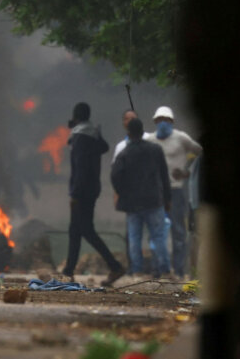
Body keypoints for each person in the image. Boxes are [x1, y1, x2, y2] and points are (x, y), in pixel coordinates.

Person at [62, 102, 125, 286]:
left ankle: (115, 266)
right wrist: (97, 132)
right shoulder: (92, 134)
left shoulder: (80, 137)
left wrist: (74, 194)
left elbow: (80, 168)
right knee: (75, 230)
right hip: (92, 189)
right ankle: (68, 272)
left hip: (81, 191)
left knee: (85, 230)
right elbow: (104, 147)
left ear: (76, 117)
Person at [146, 106, 202, 279]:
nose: (163, 123)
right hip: (157, 192)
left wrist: (187, 172)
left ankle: (178, 270)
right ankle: (158, 268)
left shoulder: (181, 138)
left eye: (167, 120)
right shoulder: (150, 140)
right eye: (160, 120)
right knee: (156, 231)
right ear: (155, 122)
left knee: (178, 232)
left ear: (172, 122)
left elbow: (199, 151)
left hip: (176, 190)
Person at [111, 117, 172, 277]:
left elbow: (115, 176)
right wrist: (167, 198)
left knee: (134, 238)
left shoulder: (124, 153)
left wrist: (122, 192)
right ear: (142, 130)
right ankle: (163, 269)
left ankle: (137, 270)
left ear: (129, 133)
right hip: (154, 200)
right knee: (158, 236)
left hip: (132, 203)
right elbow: (164, 175)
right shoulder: (155, 150)